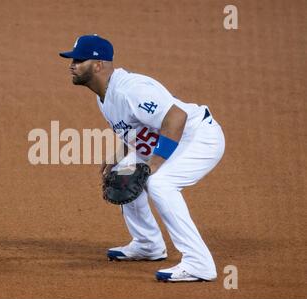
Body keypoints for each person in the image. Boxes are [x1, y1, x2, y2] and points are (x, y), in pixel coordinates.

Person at [59, 34, 225, 282]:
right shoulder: (103, 95)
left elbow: (176, 118)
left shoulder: (132, 90)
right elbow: (136, 128)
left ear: (98, 65)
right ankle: (148, 244)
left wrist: (154, 164)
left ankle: (199, 263)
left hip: (198, 137)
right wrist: (119, 154)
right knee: (125, 174)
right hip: (171, 137)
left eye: (79, 60)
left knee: (159, 183)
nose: (71, 65)